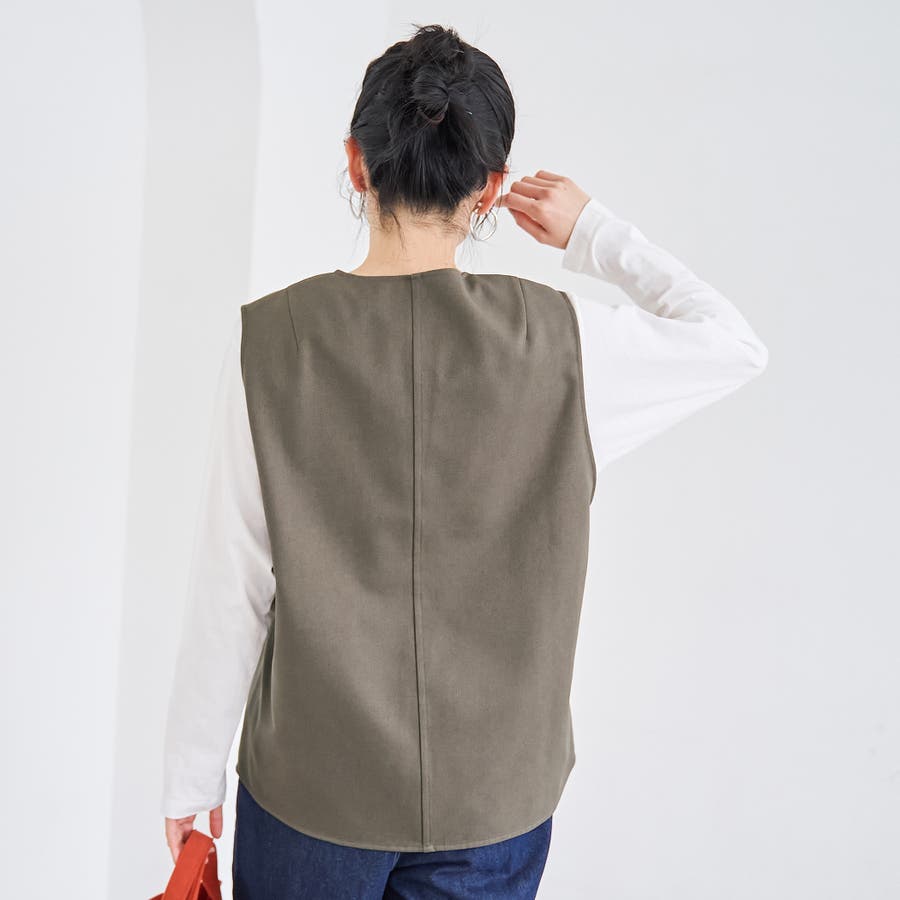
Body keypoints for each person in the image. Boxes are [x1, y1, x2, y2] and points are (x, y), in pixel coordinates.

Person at [160, 23, 768, 900]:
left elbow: (234, 583)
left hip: (312, 788)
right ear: (489, 187)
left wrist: (191, 778)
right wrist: (593, 233)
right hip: (495, 799)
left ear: (357, 163)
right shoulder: (565, 344)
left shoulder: (272, 340)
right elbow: (733, 344)